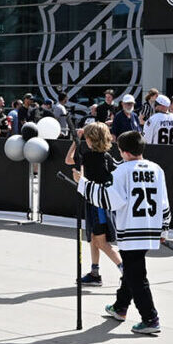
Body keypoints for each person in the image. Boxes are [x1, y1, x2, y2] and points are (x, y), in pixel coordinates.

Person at [97, 127, 169, 336]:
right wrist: (164, 228)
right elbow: (164, 202)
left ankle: (150, 318)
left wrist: (83, 185)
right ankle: (120, 307)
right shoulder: (157, 169)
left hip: (131, 231)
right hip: (149, 229)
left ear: (124, 152)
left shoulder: (121, 171)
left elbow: (111, 201)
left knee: (137, 275)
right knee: (131, 269)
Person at [68, 121, 121, 285]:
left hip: (97, 204)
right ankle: (94, 272)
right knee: (93, 237)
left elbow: (69, 160)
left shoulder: (89, 156)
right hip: (103, 203)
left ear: (91, 139)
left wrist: (75, 141)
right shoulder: (107, 156)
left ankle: (125, 271)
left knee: (100, 242)